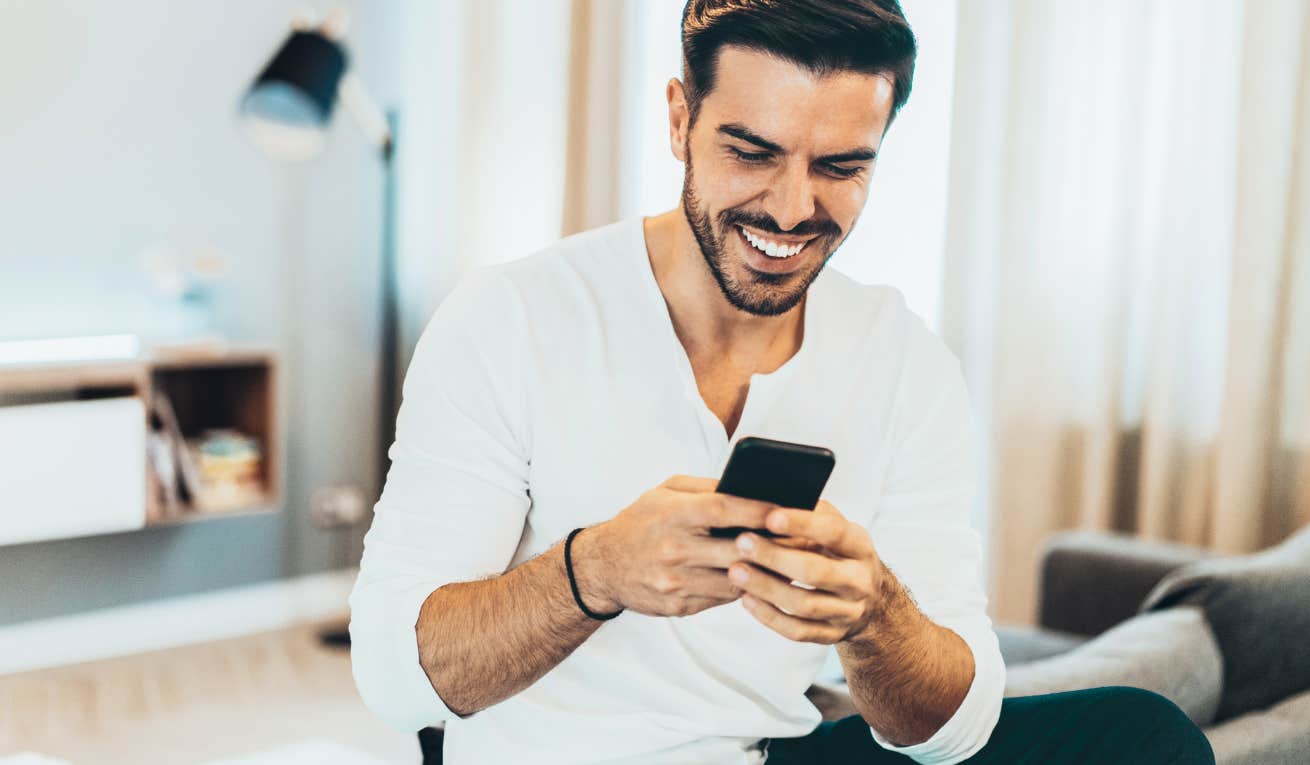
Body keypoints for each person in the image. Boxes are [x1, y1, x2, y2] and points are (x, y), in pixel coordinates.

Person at [349, 1, 1216, 763]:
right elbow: (396, 680)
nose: (794, 209)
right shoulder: (510, 317)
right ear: (681, 119)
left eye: (841, 167)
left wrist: (875, 613)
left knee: (1145, 735)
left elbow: (953, 728)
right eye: (753, 151)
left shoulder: (903, 360)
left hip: (773, 755)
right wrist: (594, 572)